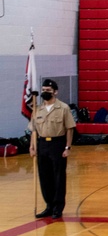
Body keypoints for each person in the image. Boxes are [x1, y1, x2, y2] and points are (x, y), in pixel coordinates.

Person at [29, 79, 76, 219]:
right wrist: (32, 147)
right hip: (42, 144)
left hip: (58, 143)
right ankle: (48, 206)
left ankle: (58, 207)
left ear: (55, 92)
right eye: (43, 90)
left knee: (58, 177)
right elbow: (34, 130)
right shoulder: (37, 109)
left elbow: (69, 129)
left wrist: (67, 147)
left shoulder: (63, 108)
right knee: (45, 176)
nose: (45, 92)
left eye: (48, 90)